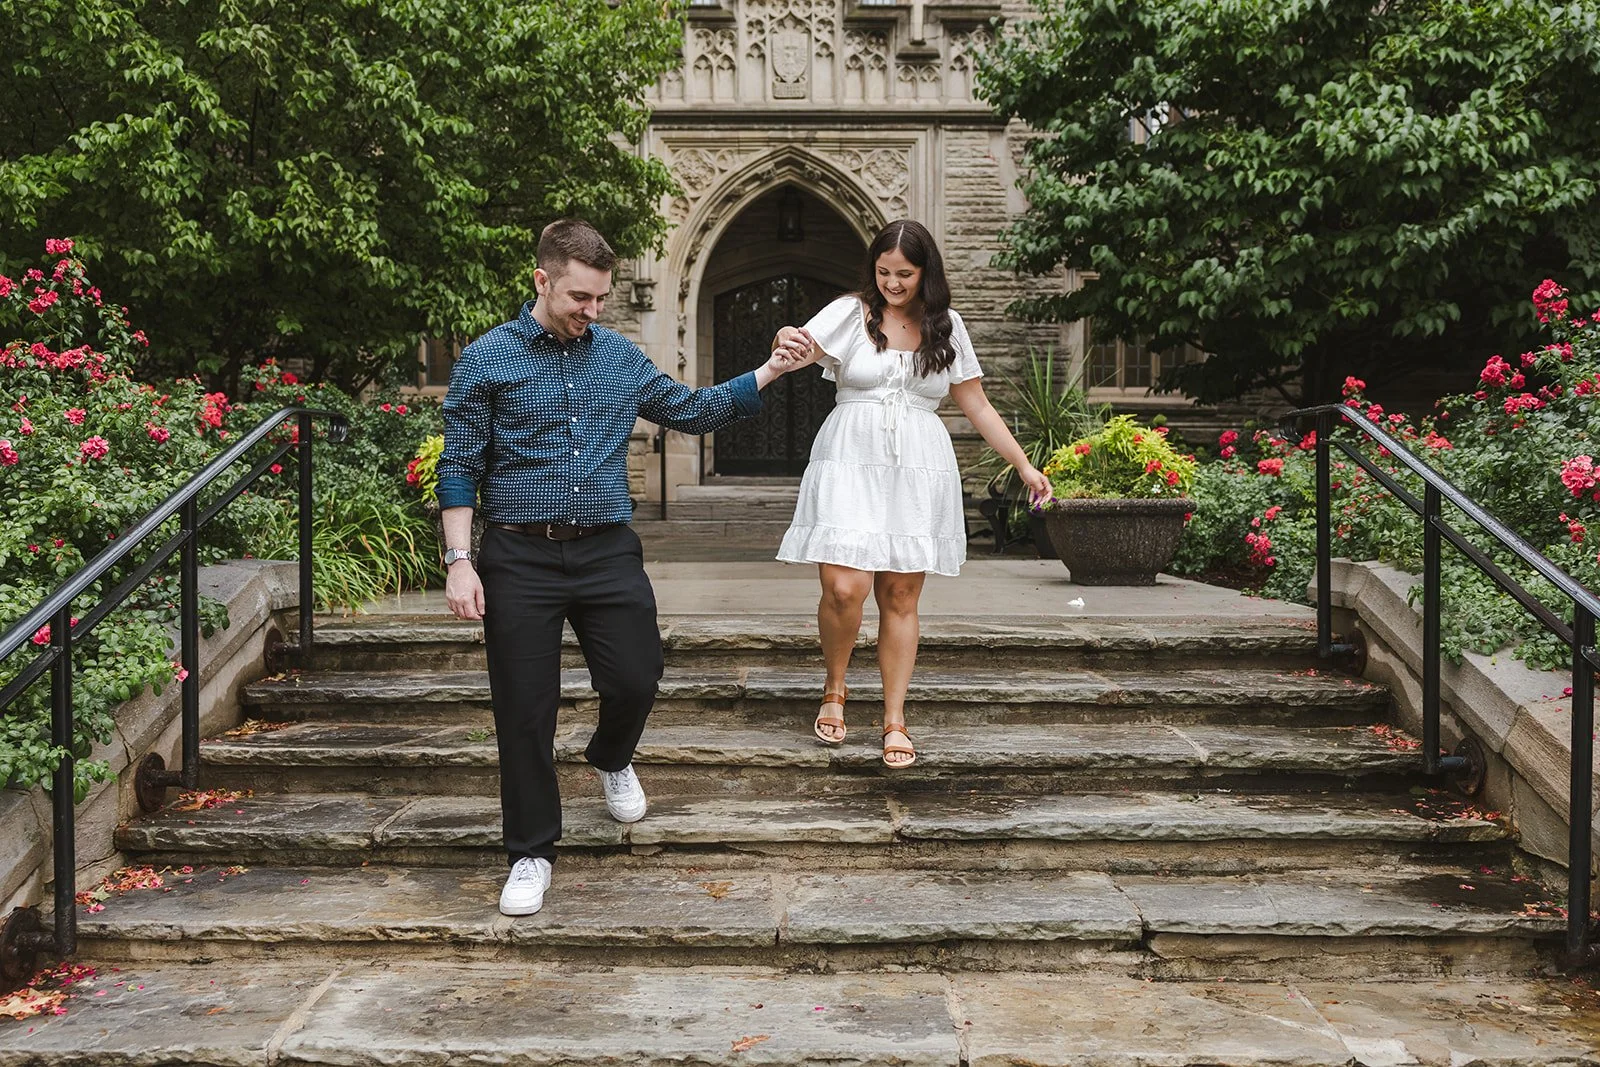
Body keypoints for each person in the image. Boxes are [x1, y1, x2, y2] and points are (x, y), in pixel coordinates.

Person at [437, 219, 812, 917]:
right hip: (517, 553)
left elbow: (692, 410)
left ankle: (611, 755)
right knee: (524, 711)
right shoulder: (487, 358)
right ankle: (530, 852)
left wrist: (771, 369)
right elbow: (459, 465)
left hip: (606, 548)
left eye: (601, 297)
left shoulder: (617, 355)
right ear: (542, 280)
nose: (593, 310)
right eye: (581, 296)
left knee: (637, 676)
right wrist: (461, 561)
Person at [773, 219, 1051, 768]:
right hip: (851, 459)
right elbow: (796, 350)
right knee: (844, 588)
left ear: (926, 273)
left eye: (904, 274)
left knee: (900, 595)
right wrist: (782, 338)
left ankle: (894, 718)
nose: (892, 284)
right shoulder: (852, 312)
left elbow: (976, 403)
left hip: (917, 466)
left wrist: (1022, 464)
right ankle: (835, 685)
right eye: (883, 273)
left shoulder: (947, 326)